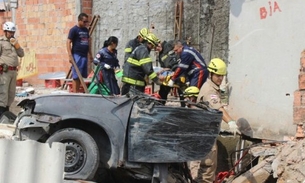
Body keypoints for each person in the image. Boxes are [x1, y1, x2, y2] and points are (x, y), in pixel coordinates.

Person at [190, 58, 240, 183]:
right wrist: (230, 122)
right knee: (208, 167)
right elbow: (219, 108)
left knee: (208, 166)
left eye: (222, 76)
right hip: (205, 133)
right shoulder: (209, 91)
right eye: (218, 75)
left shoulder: (212, 88)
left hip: (207, 132)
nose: (220, 79)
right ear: (211, 73)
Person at [0, 21, 24, 116]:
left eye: (13, 32)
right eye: (10, 32)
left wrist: (17, 45)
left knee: (11, 94)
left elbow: (21, 54)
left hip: (13, 72)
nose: (11, 34)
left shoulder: (14, 42)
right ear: (5, 31)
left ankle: (6, 113)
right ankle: (1, 115)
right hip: (4, 72)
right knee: (3, 94)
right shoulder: (1, 42)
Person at [66, 13, 93, 93]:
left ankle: (79, 91)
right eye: (84, 22)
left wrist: (90, 54)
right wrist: (70, 55)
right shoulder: (74, 30)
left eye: (87, 22)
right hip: (77, 55)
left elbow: (88, 42)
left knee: (82, 75)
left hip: (84, 55)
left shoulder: (85, 30)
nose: (86, 23)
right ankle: (75, 93)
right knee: (76, 76)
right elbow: (68, 42)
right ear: (79, 20)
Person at [155, 40, 186, 106]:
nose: (157, 48)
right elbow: (165, 67)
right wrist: (161, 71)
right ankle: (161, 105)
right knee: (163, 90)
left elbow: (180, 43)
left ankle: (184, 106)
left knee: (182, 90)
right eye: (155, 48)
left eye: (157, 46)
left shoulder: (168, 44)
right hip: (170, 73)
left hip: (179, 70)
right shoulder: (160, 56)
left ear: (160, 42)